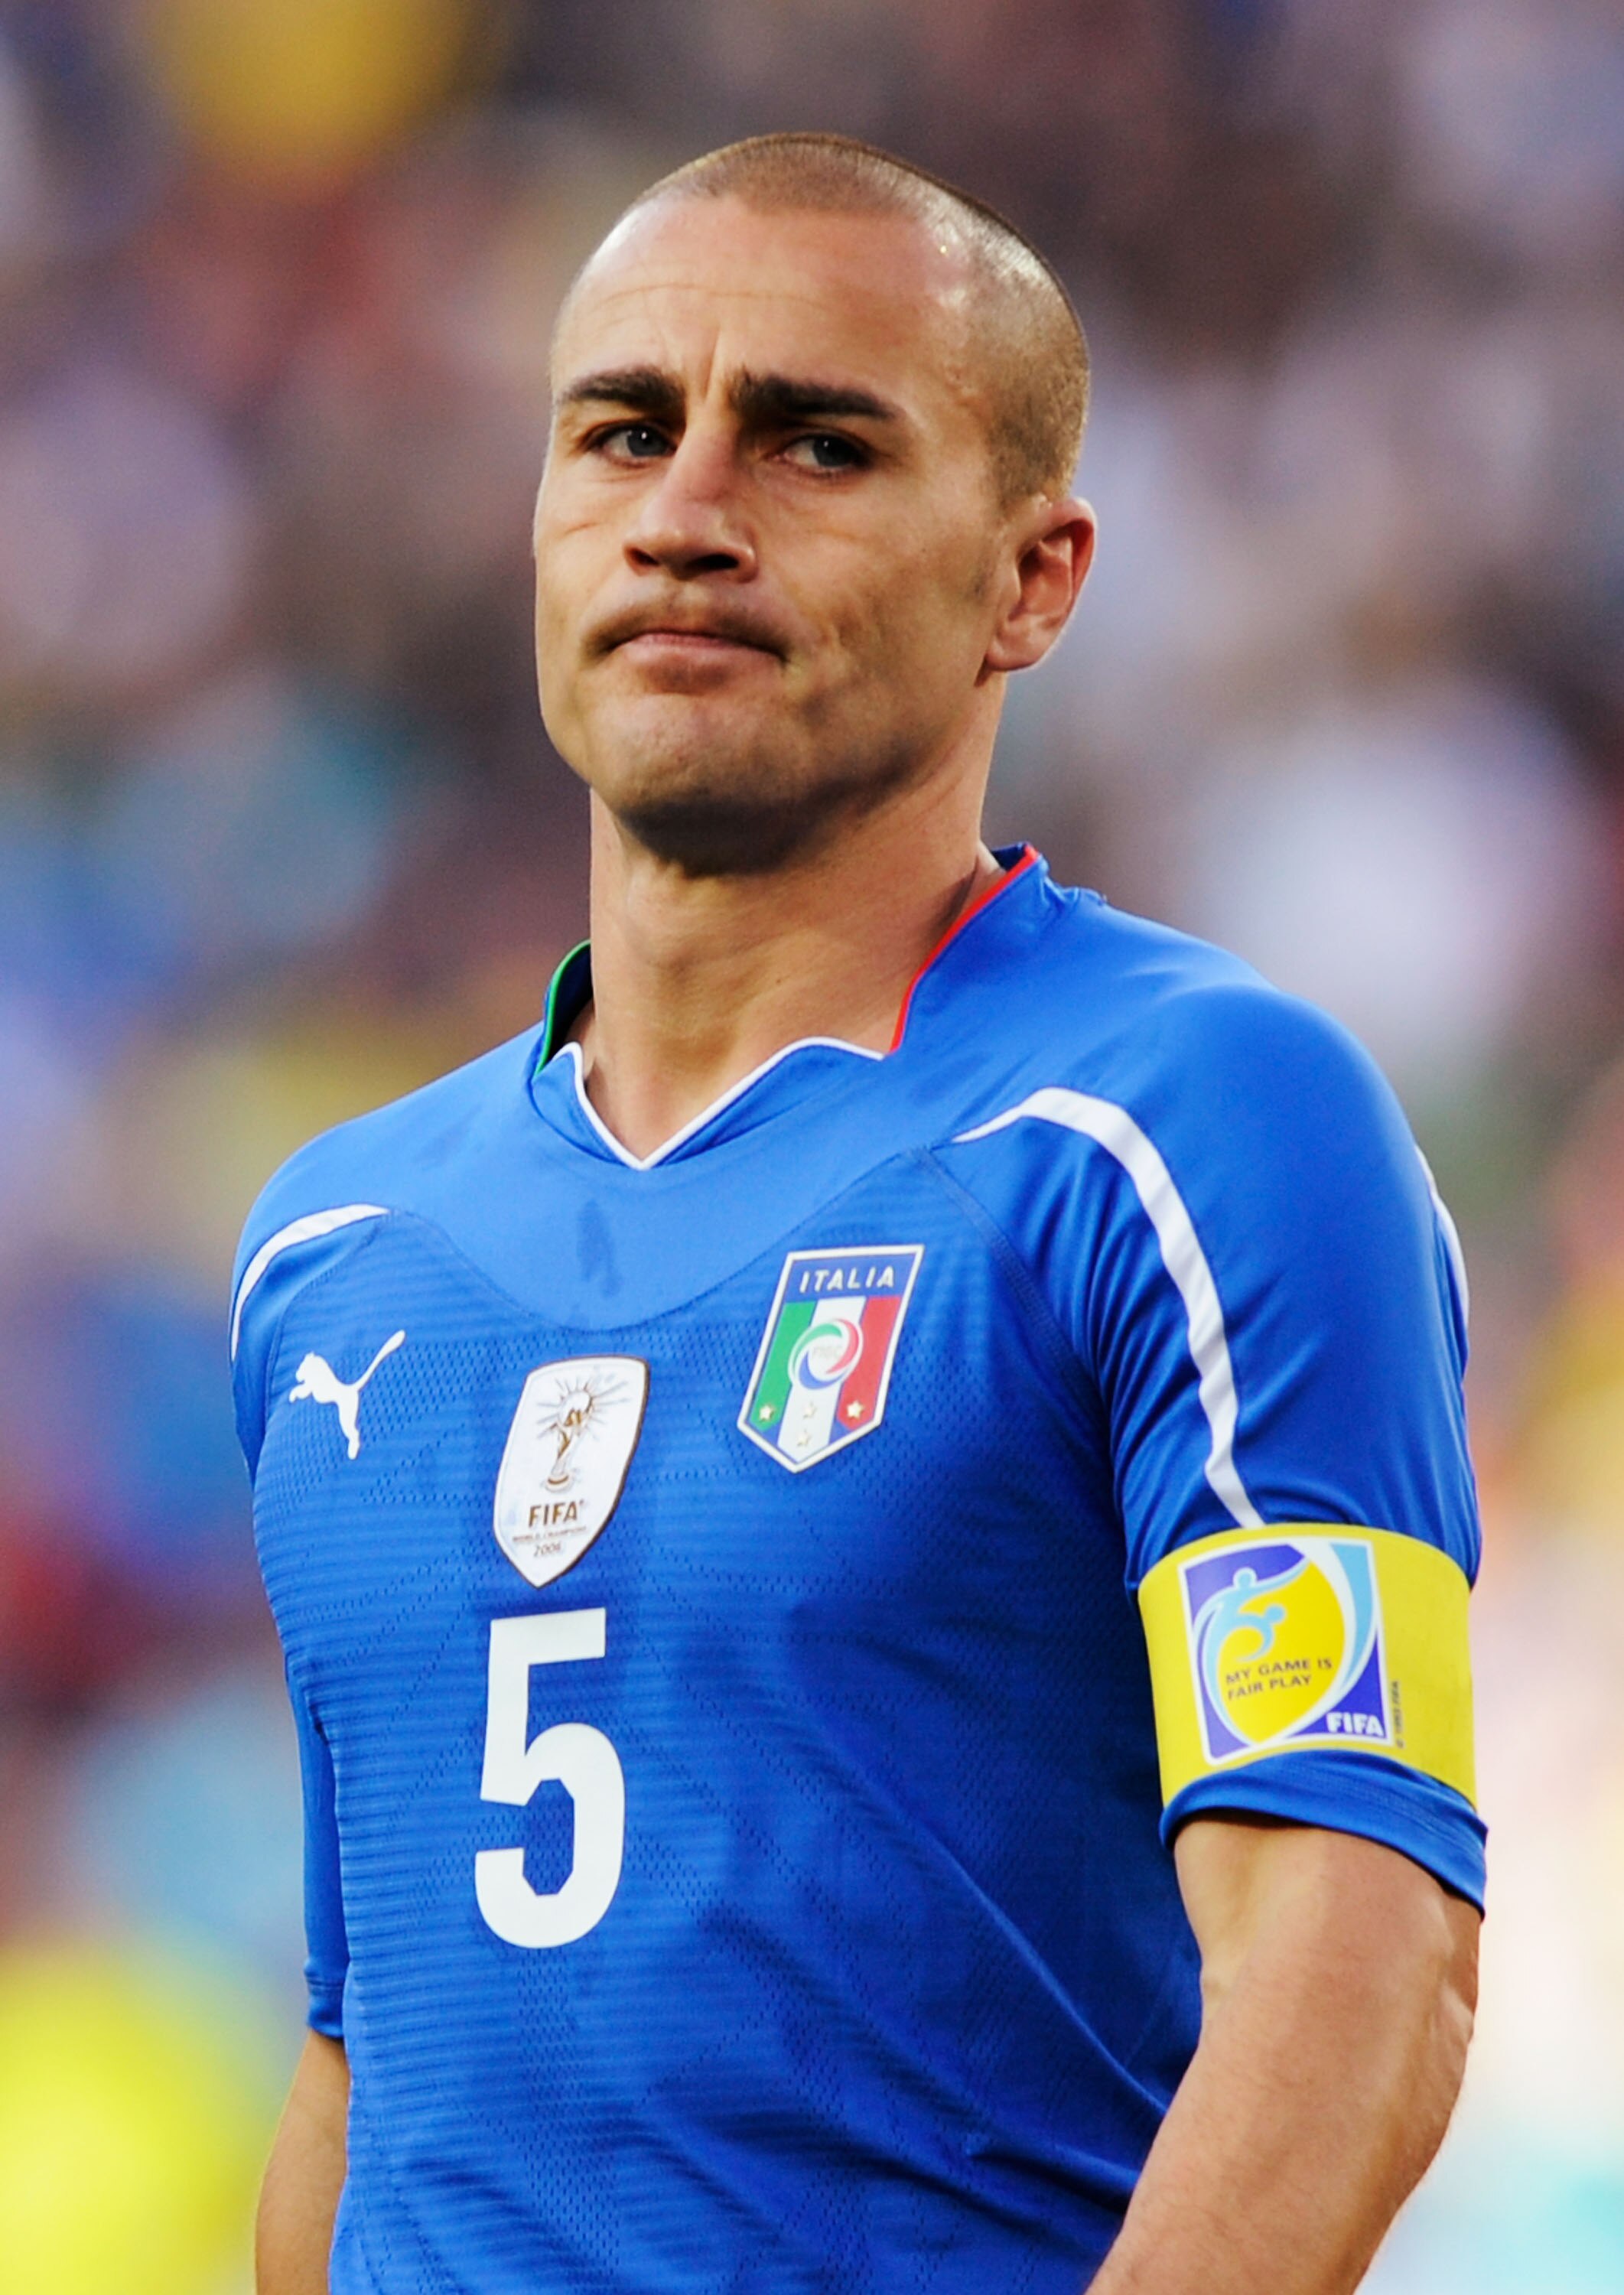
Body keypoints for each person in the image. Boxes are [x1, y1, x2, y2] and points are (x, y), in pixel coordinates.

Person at [236, 132, 1482, 2295]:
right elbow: (364, 2076)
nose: (686, 511)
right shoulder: (330, 1252)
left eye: (816, 444)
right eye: (622, 430)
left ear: (1034, 579)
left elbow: (1355, 1943)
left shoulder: (1188, 1127)